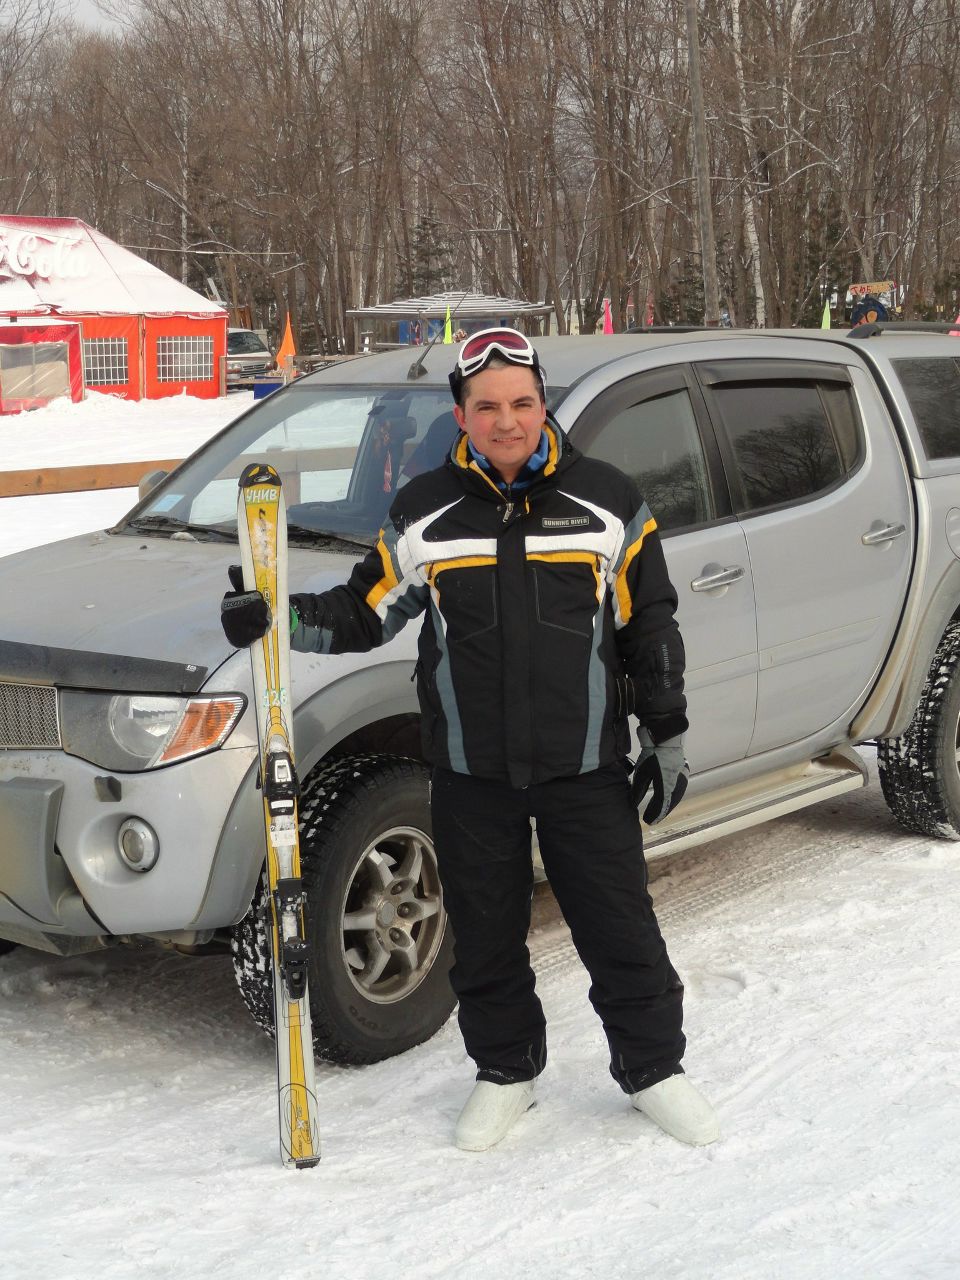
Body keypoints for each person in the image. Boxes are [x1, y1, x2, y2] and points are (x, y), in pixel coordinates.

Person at [221, 327, 720, 1151]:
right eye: (487, 406)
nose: (506, 420)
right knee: (484, 940)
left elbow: (650, 626)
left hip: (584, 767)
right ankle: (506, 1071)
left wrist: (666, 734)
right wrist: (278, 615)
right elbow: (365, 611)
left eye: (521, 402)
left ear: (543, 405)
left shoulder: (608, 501)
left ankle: (653, 1069)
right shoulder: (425, 512)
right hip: (469, 771)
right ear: (461, 415)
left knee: (621, 930)